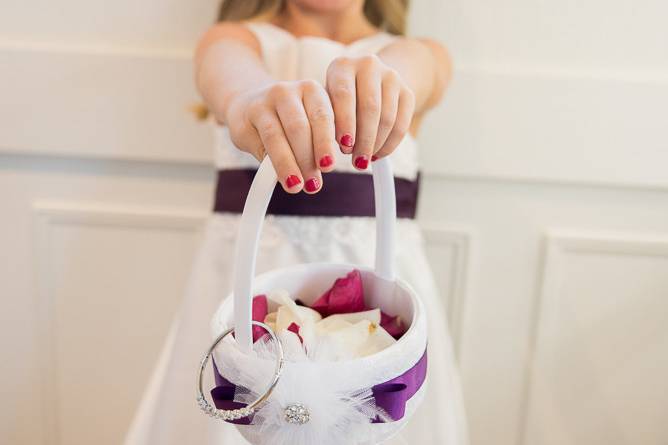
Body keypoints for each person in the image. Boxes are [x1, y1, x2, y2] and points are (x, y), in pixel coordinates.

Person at [125, 0, 469, 443]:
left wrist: (380, 82)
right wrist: (251, 102)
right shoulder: (233, 43)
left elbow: (412, 70)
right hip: (243, 302)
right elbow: (232, 78)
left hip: (380, 303)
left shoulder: (422, 54)